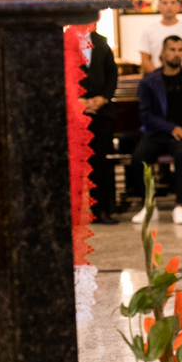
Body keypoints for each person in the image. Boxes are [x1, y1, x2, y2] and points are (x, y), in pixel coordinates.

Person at [129, 36, 182, 225]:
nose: (177, 54)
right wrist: (170, 128)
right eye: (172, 49)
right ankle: (149, 206)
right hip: (157, 133)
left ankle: (180, 205)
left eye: (180, 50)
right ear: (162, 53)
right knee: (138, 158)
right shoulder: (149, 81)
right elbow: (145, 115)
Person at [79, 27, 118, 225]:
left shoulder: (101, 42)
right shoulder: (63, 42)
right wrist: (77, 100)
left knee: (101, 163)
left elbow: (112, 73)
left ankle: (102, 209)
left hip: (100, 112)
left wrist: (103, 98)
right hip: (74, 113)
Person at [139, 0, 182, 72]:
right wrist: (157, 76)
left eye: (173, 2)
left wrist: (178, 76)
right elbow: (145, 60)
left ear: (178, 6)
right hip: (156, 77)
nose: (169, 6)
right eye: (165, 3)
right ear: (159, 6)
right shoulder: (148, 31)